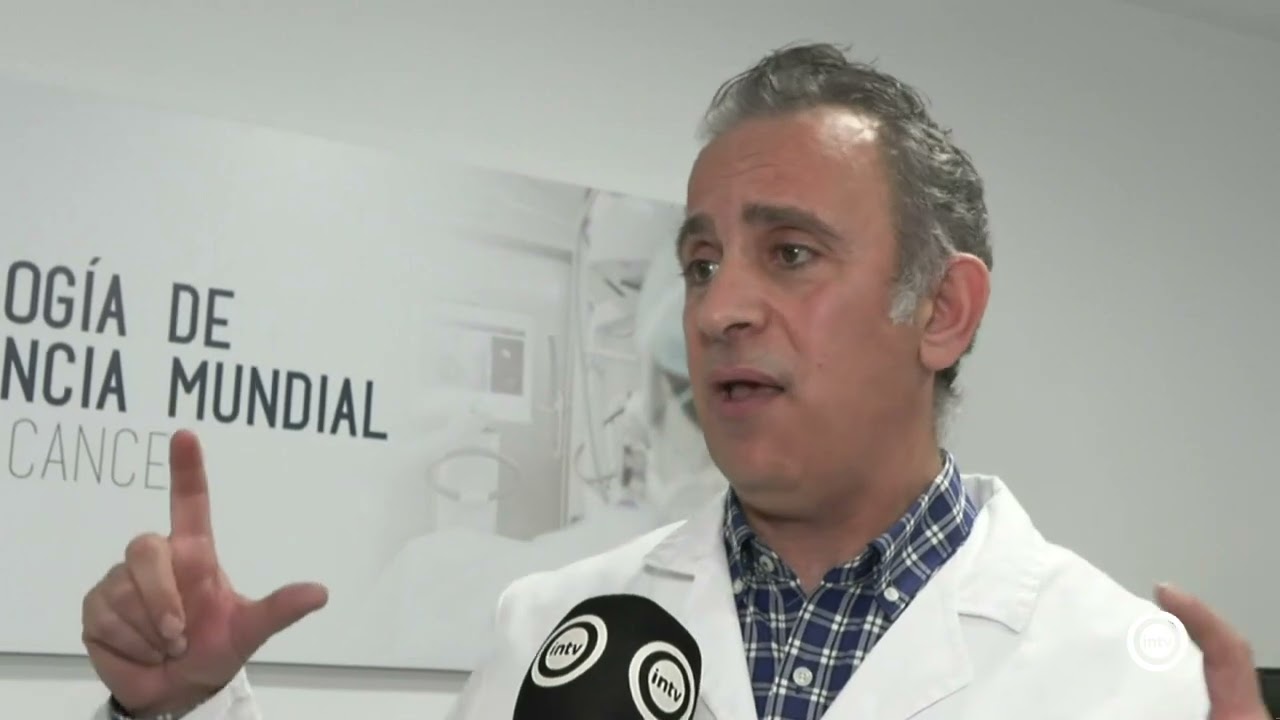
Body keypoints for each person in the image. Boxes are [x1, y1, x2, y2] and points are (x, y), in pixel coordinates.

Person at [83, 43, 1270, 719]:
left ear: (941, 311)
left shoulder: (1126, 678)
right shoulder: (548, 631)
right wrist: (174, 712)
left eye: (787, 255)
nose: (717, 309)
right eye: (700, 263)